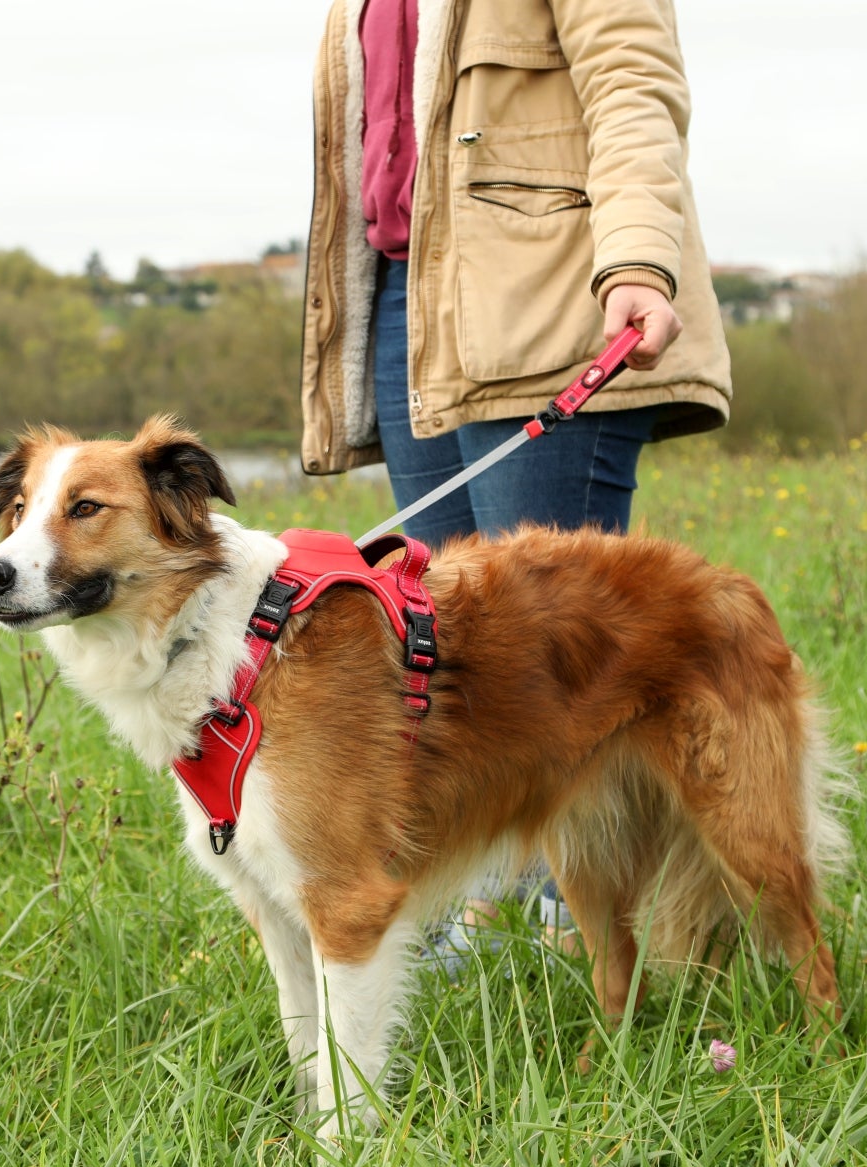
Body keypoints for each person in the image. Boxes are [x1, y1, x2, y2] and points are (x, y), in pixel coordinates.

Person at [297, 0, 732, 968]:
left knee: (556, 662)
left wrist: (637, 259)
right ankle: (485, 903)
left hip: (548, 294)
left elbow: (632, 79)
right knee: (434, 649)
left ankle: (573, 922)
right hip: (411, 306)